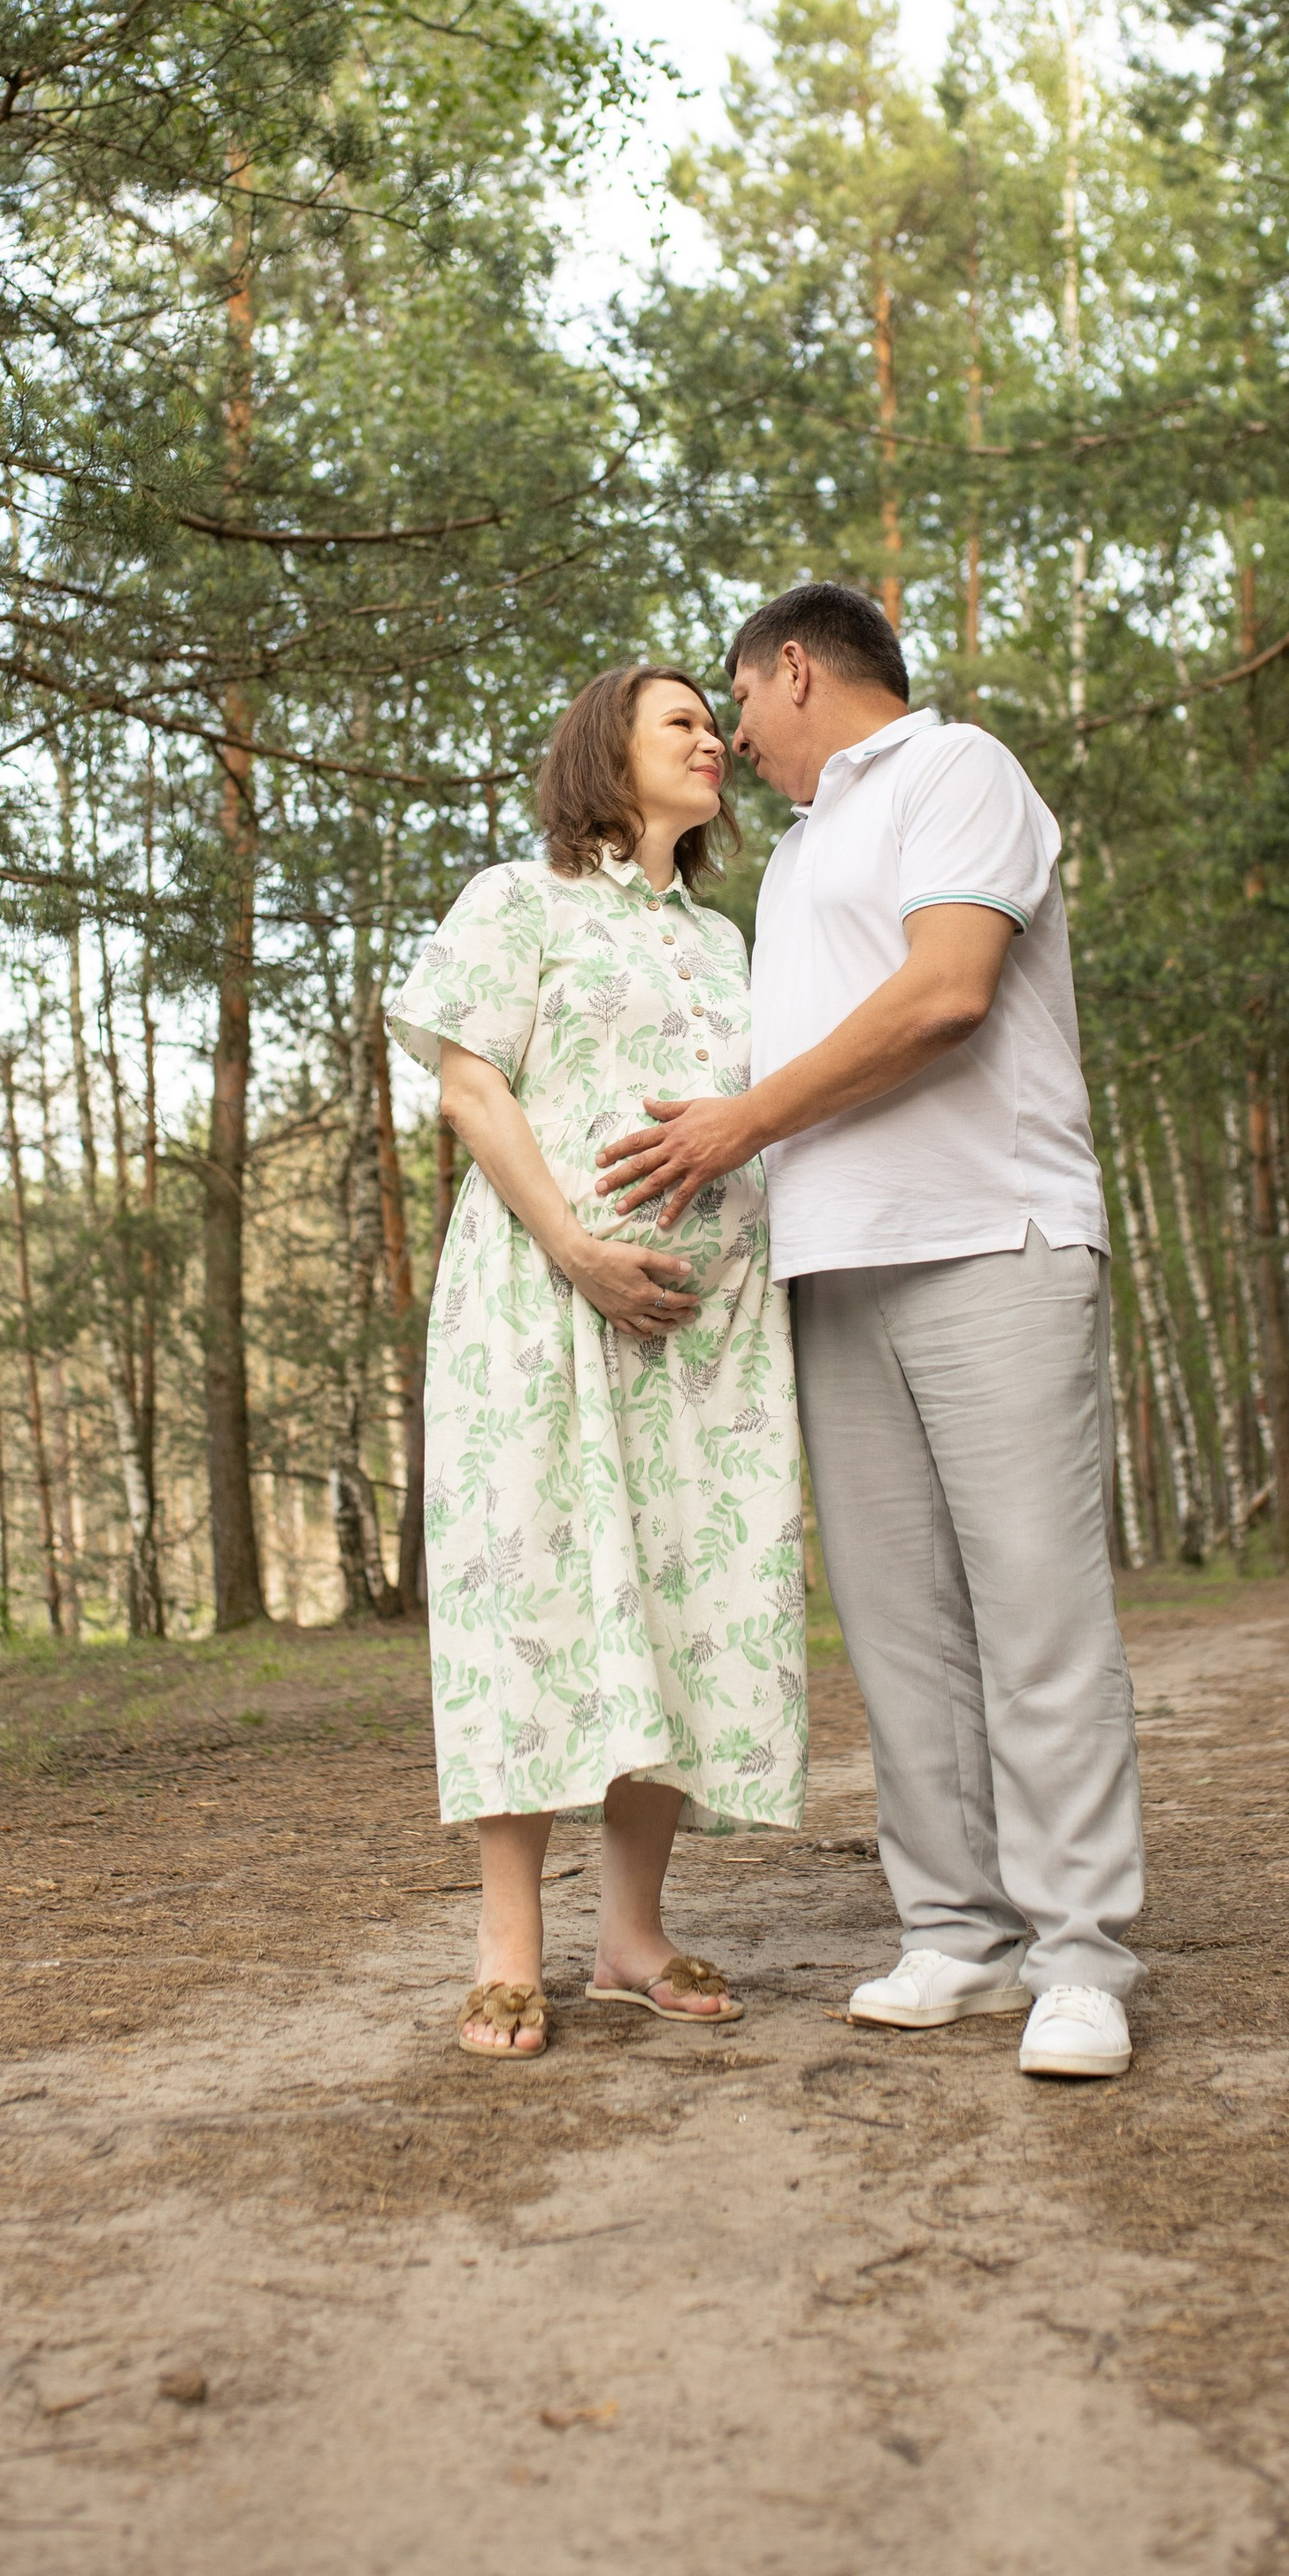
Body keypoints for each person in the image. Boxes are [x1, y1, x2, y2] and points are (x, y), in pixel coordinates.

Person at [597, 582, 1144, 2082]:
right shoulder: (801, 851)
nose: (735, 738)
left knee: (1036, 1611)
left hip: (992, 1243)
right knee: (900, 1630)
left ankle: (1082, 1955)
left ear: (796, 670)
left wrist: (739, 1127)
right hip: (832, 1271)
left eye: (739, 703)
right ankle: (955, 1931)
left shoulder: (959, 770)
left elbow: (948, 995)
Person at [387, 667, 808, 2060]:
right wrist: (573, 1247)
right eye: (682, 720)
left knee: (687, 1609)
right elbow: (468, 1082)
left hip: (707, 1344)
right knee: (535, 1600)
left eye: (714, 723)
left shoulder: (726, 941)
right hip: (542, 1308)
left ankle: (630, 1933)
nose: (713, 741)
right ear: (605, 750)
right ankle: (510, 1945)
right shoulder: (521, 900)